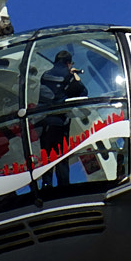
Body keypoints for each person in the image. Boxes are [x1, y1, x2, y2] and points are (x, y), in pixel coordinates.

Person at [35, 49, 87, 188]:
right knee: (61, 157)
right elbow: (83, 92)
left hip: (44, 122)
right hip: (60, 123)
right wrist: (75, 76)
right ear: (68, 63)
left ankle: (46, 185)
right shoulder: (68, 76)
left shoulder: (45, 75)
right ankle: (63, 187)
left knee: (46, 157)